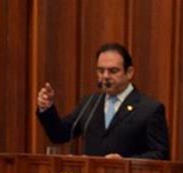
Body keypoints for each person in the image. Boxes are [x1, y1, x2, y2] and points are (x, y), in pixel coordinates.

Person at [36, 43, 170, 160]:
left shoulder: (149, 109)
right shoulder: (90, 103)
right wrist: (47, 109)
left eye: (113, 71)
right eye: (100, 71)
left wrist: (126, 161)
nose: (105, 76)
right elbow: (59, 135)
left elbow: (161, 155)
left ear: (129, 72)